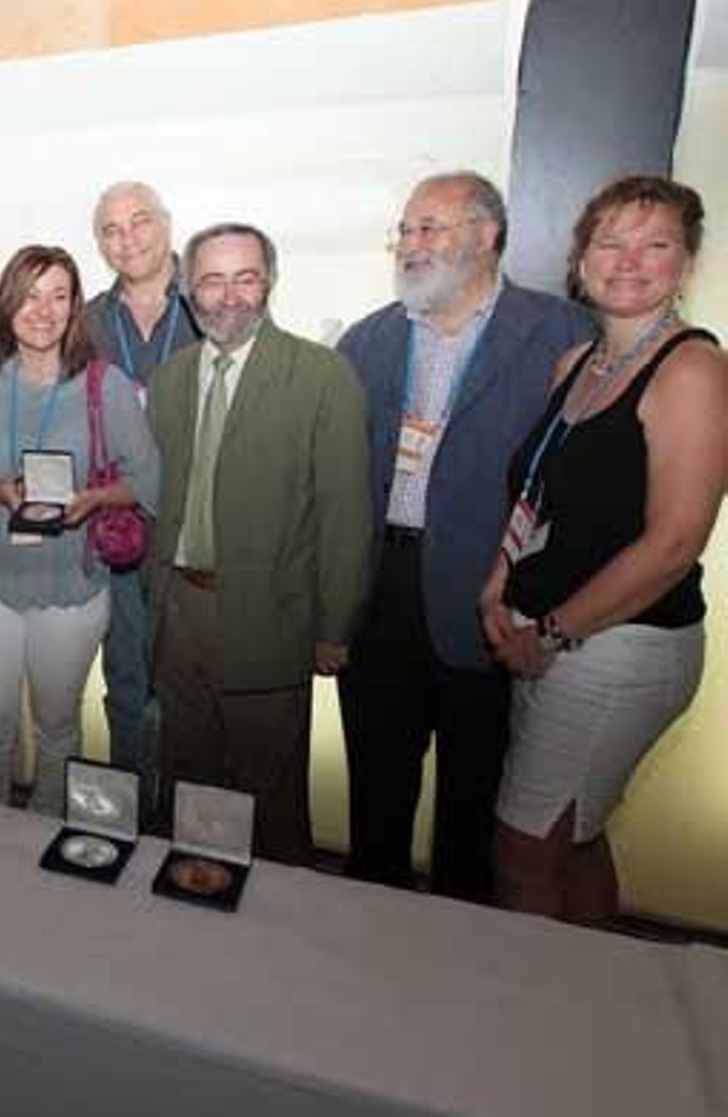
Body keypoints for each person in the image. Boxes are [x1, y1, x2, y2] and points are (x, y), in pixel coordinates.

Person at [336, 172, 591, 901]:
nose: (412, 245)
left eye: (431, 229)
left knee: (475, 810)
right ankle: (363, 942)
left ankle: (459, 971)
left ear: (487, 235)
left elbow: (576, 490)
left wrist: (542, 602)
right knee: (377, 793)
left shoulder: (560, 336)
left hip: (492, 598)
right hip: (382, 591)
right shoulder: (369, 339)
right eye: (406, 231)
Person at [480, 175, 726, 925]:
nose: (628, 260)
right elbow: (535, 498)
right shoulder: (578, 366)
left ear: (684, 265)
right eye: (611, 242)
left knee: (522, 854)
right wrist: (498, 587)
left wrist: (552, 633)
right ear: (581, 259)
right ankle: (604, 1003)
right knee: (575, 838)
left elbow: (676, 542)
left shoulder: (693, 371)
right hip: (543, 635)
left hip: (616, 647)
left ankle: (536, 1024)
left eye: (655, 245)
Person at [144, 224, 368, 863]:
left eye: (245, 277)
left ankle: (271, 938)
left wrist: (335, 629)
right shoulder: (169, 380)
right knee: (190, 780)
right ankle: (191, 901)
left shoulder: (324, 377)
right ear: (188, 292)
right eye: (211, 280)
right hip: (179, 611)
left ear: (268, 281)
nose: (229, 296)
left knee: (268, 794)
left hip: (272, 617)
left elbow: (345, 515)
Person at [0, 245, 158, 815]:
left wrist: (94, 499)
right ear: (7, 304)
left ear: (75, 307)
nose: (44, 310)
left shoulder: (105, 386)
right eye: (31, 295)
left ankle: (41, 843)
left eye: (59, 295)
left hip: (71, 585)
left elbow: (149, 480)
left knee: (58, 726)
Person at [83, 180, 199, 800]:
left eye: (139, 222)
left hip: (200, 535)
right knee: (125, 681)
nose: (126, 239)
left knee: (192, 691)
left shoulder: (213, 303)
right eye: (110, 229)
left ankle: (185, 825)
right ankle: (128, 816)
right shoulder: (89, 322)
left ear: (168, 224)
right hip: (118, 533)